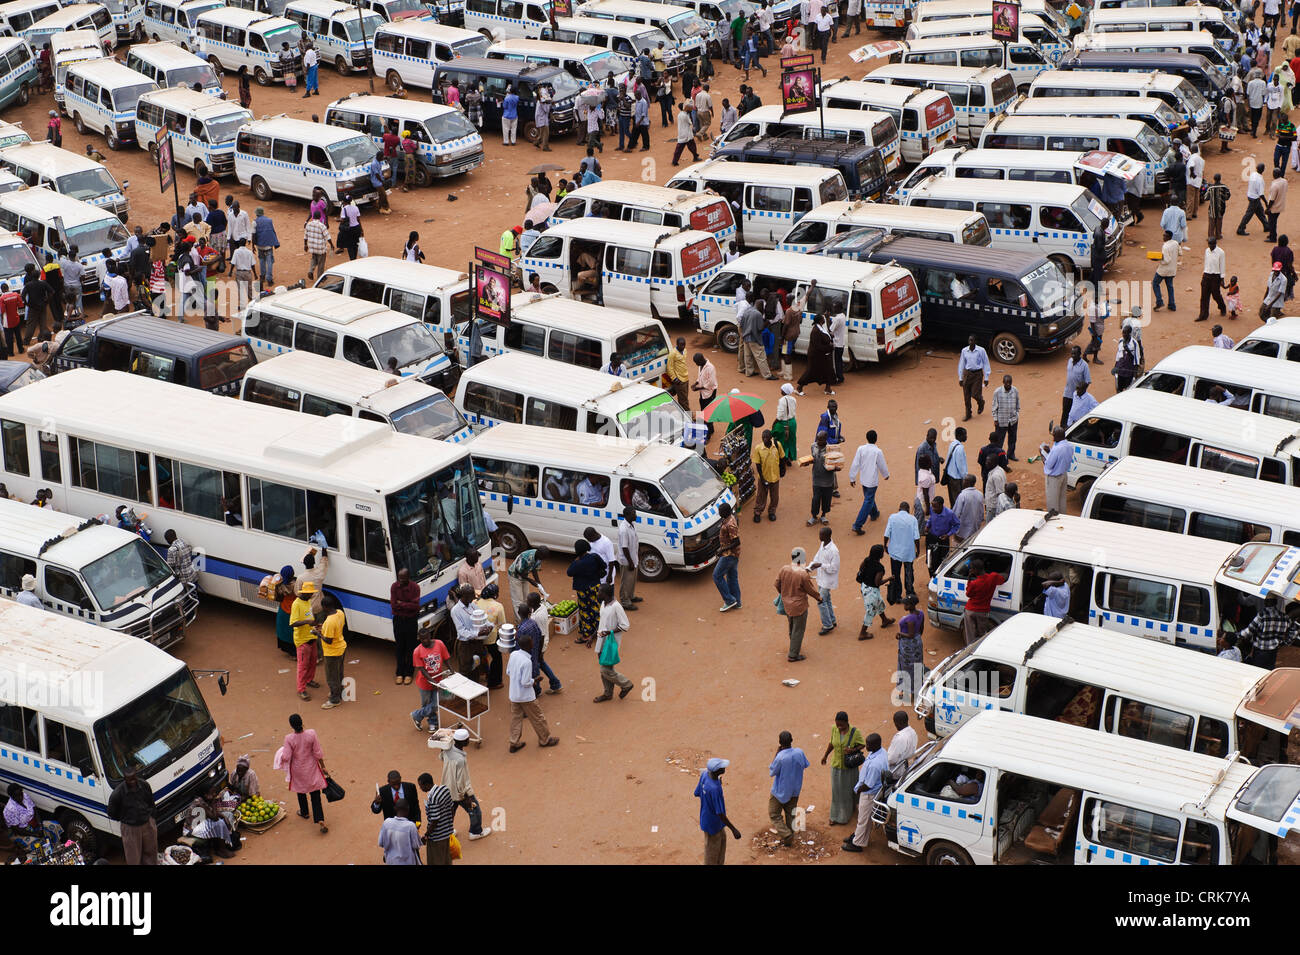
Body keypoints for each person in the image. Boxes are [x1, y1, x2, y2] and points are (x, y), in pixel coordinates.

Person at [283, 714, 328, 833]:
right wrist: (323, 767)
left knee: (300, 790)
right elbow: (318, 753)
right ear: (302, 722)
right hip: (311, 767)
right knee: (315, 794)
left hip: (298, 769)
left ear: (291, 726)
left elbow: (286, 756)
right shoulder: (311, 734)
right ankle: (320, 818)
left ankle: (304, 812)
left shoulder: (289, 738)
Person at [843, 733, 887, 853]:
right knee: (864, 818)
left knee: (863, 819)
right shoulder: (881, 752)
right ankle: (858, 836)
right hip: (874, 791)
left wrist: (857, 790)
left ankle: (857, 844)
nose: (866, 746)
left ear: (875, 745)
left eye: (868, 744)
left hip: (869, 794)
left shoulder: (875, 765)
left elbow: (868, 785)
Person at [442, 728, 489, 841]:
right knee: (475, 810)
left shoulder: (447, 750)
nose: (468, 740)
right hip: (460, 792)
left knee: (450, 812)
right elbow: (461, 781)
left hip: (447, 788)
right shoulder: (460, 759)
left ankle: (448, 832)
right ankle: (476, 832)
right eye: (467, 739)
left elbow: (441, 757)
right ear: (463, 742)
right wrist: (466, 796)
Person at [776, 546, 821, 661]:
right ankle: (793, 655)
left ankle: (793, 646)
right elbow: (811, 590)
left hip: (787, 604)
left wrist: (784, 593)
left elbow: (777, 584)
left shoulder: (784, 569)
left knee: (791, 626)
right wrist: (819, 598)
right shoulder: (803, 575)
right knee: (799, 629)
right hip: (799, 606)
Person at [695, 756, 741, 865]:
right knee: (711, 854)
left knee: (720, 847)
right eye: (722, 767)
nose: (724, 768)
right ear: (717, 771)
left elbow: (697, 792)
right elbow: (720, 813)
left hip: (710, 820)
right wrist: (734, 829)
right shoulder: (715, 789)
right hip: (713, 825)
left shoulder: (705, 775)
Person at [821, 712, 865, 826]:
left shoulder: (855, 732)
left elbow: (862, 744)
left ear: (847, 722)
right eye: (837, 725)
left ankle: (850, 810)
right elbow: (831, 743)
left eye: (841, 725)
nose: (839, 727)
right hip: (836, 766)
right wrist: (825, 756)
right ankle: (836, 816)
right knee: (837, 791)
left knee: (848, 790)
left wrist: (853, 750)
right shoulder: (834, 729)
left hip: (849, 767)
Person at [768, 731, 810, 847]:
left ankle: (786, 835)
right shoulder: (799, 752)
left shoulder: (780, 757)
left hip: (780, 791)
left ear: (780, 743)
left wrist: (776, 754)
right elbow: (805, 765)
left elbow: (772, 772)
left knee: (774, 814)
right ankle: (789, 840)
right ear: (792, 740)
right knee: (790, 813)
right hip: (795, 789)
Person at [106, 772, 156, 864]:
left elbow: (151, 801)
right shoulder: (117, 793)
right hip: (130, 829)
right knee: (134, 857)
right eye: (130, 780)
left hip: (147, 824)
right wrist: (124, 820)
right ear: (125, 780)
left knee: (151, 853)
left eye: (134, 778)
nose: (133, 782)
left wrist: (151, 817)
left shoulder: (144, 785)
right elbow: (111, 812)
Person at [848, 429, 888, 533]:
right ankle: (858, 524)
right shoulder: (878, 451)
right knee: (868, 501)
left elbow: (855, 463)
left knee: (868, 498)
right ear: (876, 439)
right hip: (872, 481)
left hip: (863, 479)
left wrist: (852, 477)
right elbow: (882, 465)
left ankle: (874, 513)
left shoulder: (860, 449)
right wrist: (886, 475)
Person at [1238, 600, 1300, 669]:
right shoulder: (1283, 617)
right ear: (1275, 603)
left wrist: (1238, 635)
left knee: (1257, 671)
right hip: (1273, 651)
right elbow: (1295, 630)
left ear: (1265, 602)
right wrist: (1286, 642)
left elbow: (1248, 631)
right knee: (1268, 669)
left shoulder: (1262, 615)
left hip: (1260, 651)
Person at [567, 539, 606, 646]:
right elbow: (604, 566)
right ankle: (600, 633)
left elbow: (569, 572)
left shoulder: (577, 563)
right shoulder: (594, 557)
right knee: (597, 609)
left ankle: (587, 635)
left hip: (583, 590)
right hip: (595, 588)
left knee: (585, 611)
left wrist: (575, 560)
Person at [961, 557, 1005, 646]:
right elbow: (1002, 580)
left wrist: (969, 579)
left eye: (972, 569)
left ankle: (970, 650)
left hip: (971, 610)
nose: (971, 570)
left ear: (975, 570)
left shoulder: (974, 583)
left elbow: (968, 594)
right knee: (982, 634)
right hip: (983, 611)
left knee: (970, 635)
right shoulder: (993, 577)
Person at [856, 543, 894, 641]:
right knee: (870, 611)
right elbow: (878, 582)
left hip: (864, 587)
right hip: (872, 591)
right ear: (880, 555)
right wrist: (889, 578)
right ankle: (862, 633)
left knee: (879, 602)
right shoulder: (880, 568)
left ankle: (884, 620)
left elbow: (861, 568)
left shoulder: (867, 560)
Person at [290, 580, 320, 701]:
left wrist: (315, 626)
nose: (312, 595)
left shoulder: (307, 602)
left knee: (313, 662)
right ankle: (301, 689)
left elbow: (309, 616)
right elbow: (293, 623)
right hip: (302, 641)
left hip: (311, 637)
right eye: (310, 593)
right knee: (303, 666)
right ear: (305, 593)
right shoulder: (296, 604)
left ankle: (309, 680)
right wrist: (308, 622)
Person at [417, 772, 456, 865]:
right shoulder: (444, 789)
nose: (420, 788)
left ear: (427, 785)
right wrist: (448, 824)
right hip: (447, 833)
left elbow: (434, 820)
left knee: (436, 861)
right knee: (447, 859)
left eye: (421, 785)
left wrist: (426, 835)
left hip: (437, 837)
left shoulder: (433, 798)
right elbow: (452, 808)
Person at [884, 502, 920, 599]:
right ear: (908, 510)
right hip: (908, 552)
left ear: (899, 508)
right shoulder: (913, 519)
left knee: (895, 573)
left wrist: (885, 546)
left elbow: (886, 534)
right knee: (909, 572)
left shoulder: (892, 517)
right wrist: (918, 550)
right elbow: (916, 537)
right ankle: (909, 592)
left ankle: (897, 595)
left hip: (895, 552)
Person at [808, 526, 840, 635]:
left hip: (827, 581)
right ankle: (832, 620)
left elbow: (834, 568)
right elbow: (817, 557)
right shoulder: (822, 544)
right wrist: (810, 567)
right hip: (821, 579)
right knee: (827, 600)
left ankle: (827, 625)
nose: (819, 536)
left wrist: (821, 565)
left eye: (821, 534)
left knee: (820, 601)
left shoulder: (834, 551)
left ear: (826, 536)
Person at [317, 592, 347, 709]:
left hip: (332, 652)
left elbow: (328, 640)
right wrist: (323, 628)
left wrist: (318, 634)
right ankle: (340, 691)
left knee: (331, 676)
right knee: (339, 672)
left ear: (325, 607)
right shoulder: (340, 613)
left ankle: (334, 699)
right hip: (341, 647)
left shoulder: (329, 621)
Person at [475, 583, 508, 689]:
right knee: (497, 658)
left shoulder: (476, 602)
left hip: (477, 636)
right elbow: (502, 624)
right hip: (491, 637)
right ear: (495, 595)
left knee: (481, 655)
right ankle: (495, 681)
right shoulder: (498, 606)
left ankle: (483, 673)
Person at [895, 598, 925, 706]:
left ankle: (907, 691)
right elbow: (921, 630)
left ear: (910, 605)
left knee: (906, 667)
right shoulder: (921, 613)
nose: (904, 606)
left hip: (908, 646)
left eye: (905, 604)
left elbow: (910, 634)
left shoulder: (910, 618)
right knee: (917, 666)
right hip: (917, 643)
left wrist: (900, 634)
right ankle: (916, 690)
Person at [751, 429, 785, 522]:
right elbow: (757, 464)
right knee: (761, 496)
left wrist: (783, 470)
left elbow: (782, 458)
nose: (764, 439)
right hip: (763, 477)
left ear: (771, 438)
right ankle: (757, 512)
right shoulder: (758, 448)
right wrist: (762, 479)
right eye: (763, 438)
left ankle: (772, 512)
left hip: (775, 476)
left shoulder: (777, 445)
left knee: (775, 497)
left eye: (766, 438)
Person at [714, 501, 741, 611]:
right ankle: (737, 602)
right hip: (734, 554)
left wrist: (722, 550)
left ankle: (729, 600)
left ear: (725, 512)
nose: (719, 513)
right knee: (732, 578)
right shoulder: (730, 518)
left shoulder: (730, 525)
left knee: (716, 576)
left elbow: (736, 541)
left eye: (720, 511)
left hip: (729, 555)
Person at [376, 800, 421, 865]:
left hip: (391, 861)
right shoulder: (411, 826)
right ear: (408, 810)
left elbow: (381, 843)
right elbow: (416, 845)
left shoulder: (387, 822)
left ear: (395, 809)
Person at [957, 335, 990, 420]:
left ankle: (981, 402)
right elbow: (961, 364)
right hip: (967, 374)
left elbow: (986, 363)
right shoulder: (964, 351)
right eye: (969, 340)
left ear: (975, 341)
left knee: (975, 394)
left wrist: (986, 377)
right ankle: (968, 414)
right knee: (966, 396)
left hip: (977, 374)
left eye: (972, 340)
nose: (970, 342)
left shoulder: (981, 351)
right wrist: (960, 378)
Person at [1040, 427, 1072, 514]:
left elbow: (1049, 465)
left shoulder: (1056, 449)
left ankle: (1054, 521)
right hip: (1064, 475)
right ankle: (1062, 518)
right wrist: (1050, 451)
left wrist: (1042, 454)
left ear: (1057, 437)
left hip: (1054, 479)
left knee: (1053, 503)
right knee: (1062, 500)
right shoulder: (1069, 445)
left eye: (1054, 436)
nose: (1053, 438)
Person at [991, 374, 1019, 460]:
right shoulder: (997, 392)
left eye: (1009, 383)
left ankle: (1011, 454)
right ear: (1003, 382)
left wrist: (1017, 414)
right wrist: (995, 419)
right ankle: (998, 457)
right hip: (1001, 421)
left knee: (1013, 439)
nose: (1008, 384)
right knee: (999, 441)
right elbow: (994, 407)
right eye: (1006, 383)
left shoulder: (1015, 390)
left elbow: (1017, 403)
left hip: (1013, 420)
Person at [1151, 229, 1180, 312]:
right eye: (1164, 235)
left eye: (1165, 236)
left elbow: (1166, 260)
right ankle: (1172, 305)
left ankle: (1159, 301)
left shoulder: (1165, 246)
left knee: (1155, 283)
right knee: (1170, 286)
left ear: (1169, 237)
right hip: (1172, 269)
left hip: (1163, 270)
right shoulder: (1175, 243)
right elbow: (1180, 253)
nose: (1163, 237)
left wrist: (1157, 259)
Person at [1238, 162, 1268, 235]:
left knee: (1260, 212)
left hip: (1251, 196)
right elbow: (1261, 194)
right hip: (1255, 198)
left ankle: (1266, 226)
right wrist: (1266, 202)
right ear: (1263, 170)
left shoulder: (1253, 174)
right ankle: (1240, 229)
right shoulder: (1260, 180)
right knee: (1249, 214)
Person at [253, 208, 279, 288]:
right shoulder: (269, 220)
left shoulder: (254, 222)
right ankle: (269, 279)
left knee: (261, 260)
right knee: (269, 262)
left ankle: (262, 276)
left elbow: (253, 235)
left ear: (257, 214)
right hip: (268, 245)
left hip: (260, 245)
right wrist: (275, 243)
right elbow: (272, 231)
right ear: (263, 213)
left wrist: (253, 246)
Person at [303, 213, 333, 281]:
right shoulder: (322, 226)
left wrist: (305, 245)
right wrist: (331, 244)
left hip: (312, 247)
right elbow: (327, 236)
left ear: (313, 217)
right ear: (319, 217)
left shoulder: (308, 224)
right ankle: (320, 278)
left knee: (314, 259)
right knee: (321, 263)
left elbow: (305, 236)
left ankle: (310, 271)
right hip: (320, 248)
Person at [888, 710, 919, 777]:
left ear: (898, 723)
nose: (895, 725)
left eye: (895, 722)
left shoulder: (900, 738)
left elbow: (891, 759)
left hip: (897, 772)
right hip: (908, 767)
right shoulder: (913, 732)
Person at [1113, 324, 1142, 391]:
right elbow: (1118, 354)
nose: (1123, 334)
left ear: (1129, 333)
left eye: (1125, 333)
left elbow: (1136, 359)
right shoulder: (1120, 341)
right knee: (1119, 388)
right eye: (1123, 332)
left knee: (1128, 389)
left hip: (1129, 370)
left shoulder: (1134, 343)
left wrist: (1135, 375)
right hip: (1120, 369)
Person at [1205, 173, 1231, 242]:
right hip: (1221, 209)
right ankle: (1218, 235)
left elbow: (1206, 198)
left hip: (1212, 209)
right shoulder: (1224, 187)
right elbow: (1228, 196)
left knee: (1211, 223)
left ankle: (1211, 236)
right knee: (1219, 221)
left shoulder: (1210, 188)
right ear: (1220, 179)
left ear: (1214, 179)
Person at [1266, 168, 1288, 244]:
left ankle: (1273, 238)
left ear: (1274, 175)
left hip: (1274, 207)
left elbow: (1272, 200)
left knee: (1272, 222)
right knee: (1273, 221)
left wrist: (1267, 208)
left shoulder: (1275, 185)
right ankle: (1272, 235)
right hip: (1281, 205)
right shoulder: (1284, 181)